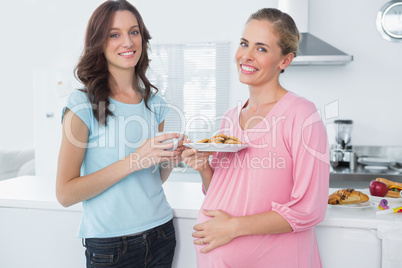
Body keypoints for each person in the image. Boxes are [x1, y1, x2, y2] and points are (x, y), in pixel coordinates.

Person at [182, 8, 330, 268]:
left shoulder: (301, 114)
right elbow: (220, 189)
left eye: (261, 49)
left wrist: (234, 228)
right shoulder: (231, 117)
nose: (246, 56)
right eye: (244, 43)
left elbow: (310, 208)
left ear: (285, 60)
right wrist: (204, 166)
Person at [56, 1, 183, 267]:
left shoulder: (155, 103)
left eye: (134, 32)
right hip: (111, 246)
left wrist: (171, 158)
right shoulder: (82, 105)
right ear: (99, 43)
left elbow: (152, 182)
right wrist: (134, 160)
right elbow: (65, 193)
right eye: (114, 34)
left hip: (161, 232)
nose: (127, 41)